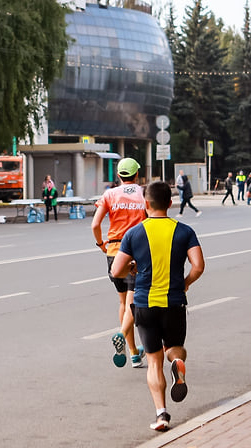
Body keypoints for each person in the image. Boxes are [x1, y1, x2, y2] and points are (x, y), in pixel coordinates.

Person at [110, 180, 205, 433]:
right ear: (170, 203)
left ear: (146, 204)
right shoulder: (185, 231)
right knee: (175, 349)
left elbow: (116, 270)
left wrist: (133, 267)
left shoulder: (134, 233)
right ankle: (178, 364)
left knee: (153, 361)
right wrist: (185, 283)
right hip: (174, 302)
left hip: (144, 304)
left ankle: (161, 414)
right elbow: (198, 266)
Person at [91, 157, 147, 368]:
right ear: (137, 174)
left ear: (119, 175)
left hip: (114, 251)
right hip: (136, 253)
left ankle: (133, 353)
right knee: (134, 303)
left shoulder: (109, 195)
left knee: (123, 302)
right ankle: (122, 335)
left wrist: (101, 245)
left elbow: (95, 224)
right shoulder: (144, 194)